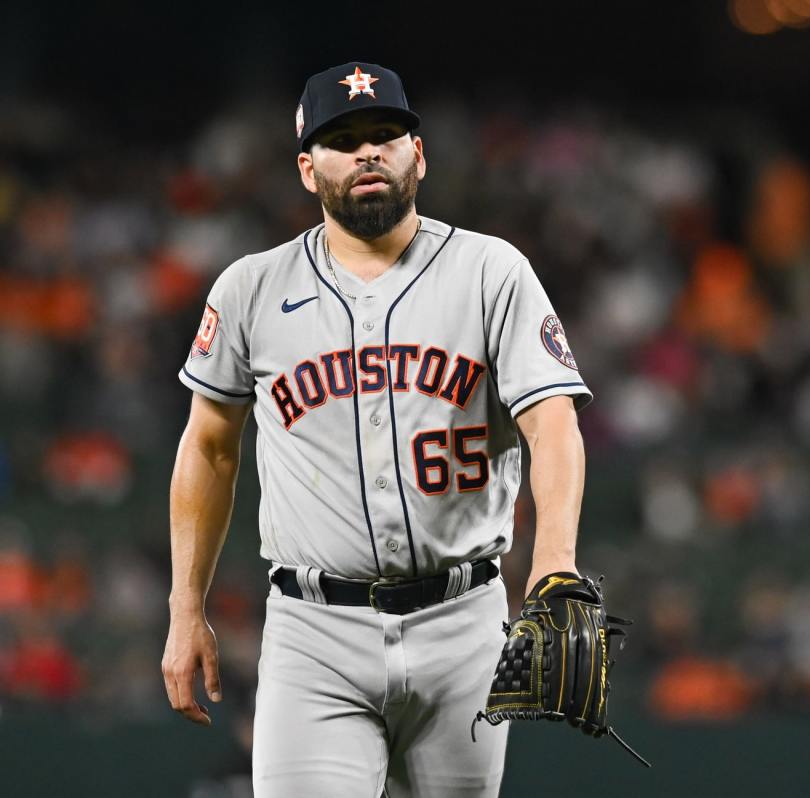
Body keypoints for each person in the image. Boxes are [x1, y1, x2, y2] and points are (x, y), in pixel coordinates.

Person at [160, 61, 593, 798]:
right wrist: (184, 608)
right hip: (313, 630)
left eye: (385, 134)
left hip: (463, 621)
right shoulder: (251, 287)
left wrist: (553, 561)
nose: (366, 152)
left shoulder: (492, 271)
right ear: (307, 169)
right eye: (342, 139)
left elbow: (552, 424)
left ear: (417, 154)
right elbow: (208, 445)